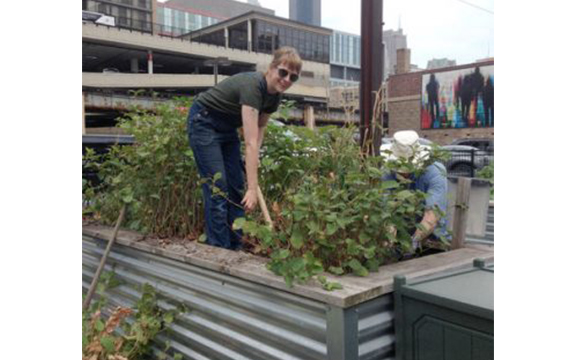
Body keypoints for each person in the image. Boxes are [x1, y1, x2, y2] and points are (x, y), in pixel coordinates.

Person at [187, 47, 302, 250]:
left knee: (235, 188)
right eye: (283, 72)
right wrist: (252, 188)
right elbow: (248, 142)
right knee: (218, 187)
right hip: (204, 121)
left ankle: (236, 246)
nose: (286, 80)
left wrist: (255, 155)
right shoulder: (253, 87)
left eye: (293, 77)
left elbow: (259, 129)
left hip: (227, 128)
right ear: (272, 68)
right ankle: (219, 249)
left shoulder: (274, 97)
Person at [381, 130, 450, 256]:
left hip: (433, 242)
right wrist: (389, 241)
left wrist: (413, 243)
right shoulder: (387, 173)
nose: (402, 172)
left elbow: (432, 215)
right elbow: (386, 211)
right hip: (398, 238)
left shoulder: (435, 172)